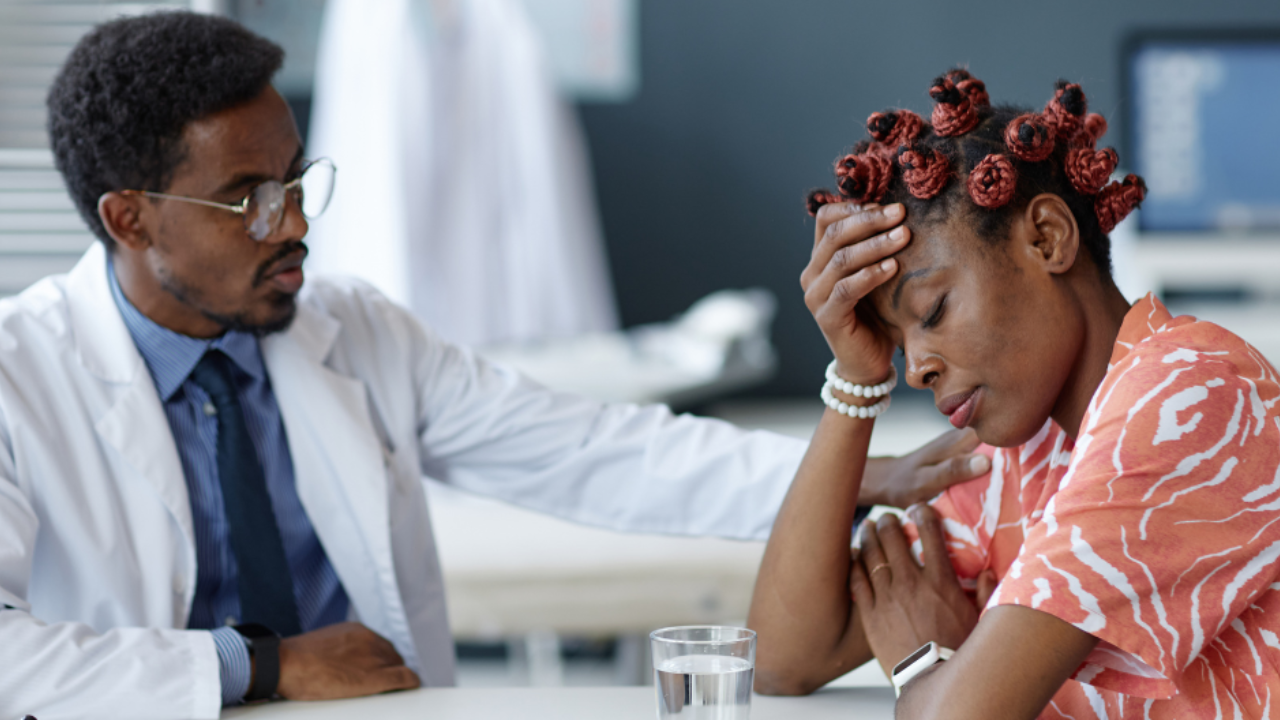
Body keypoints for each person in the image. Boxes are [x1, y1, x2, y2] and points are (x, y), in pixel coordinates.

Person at [0, 14, 988, 719]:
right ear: (128, 219)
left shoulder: (353, 329)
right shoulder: (20, 374)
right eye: (248, 200)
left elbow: (592, 451)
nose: (296, 223)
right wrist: (258, 670)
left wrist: (848, 474)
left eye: (297, 179)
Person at [747, 68, 1280, 719]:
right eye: (895, 342)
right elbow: (782, 658)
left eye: (933, 309)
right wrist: (856, 380)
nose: (914, 368)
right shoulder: (1018, 450)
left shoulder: (1188, 395)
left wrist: (924, 662)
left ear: (1047, 237)